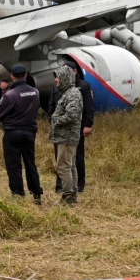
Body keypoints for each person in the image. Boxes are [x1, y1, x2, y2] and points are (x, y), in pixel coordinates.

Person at [0, 64, 43, 204]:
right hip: (29, 132)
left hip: (13, 133)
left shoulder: (10, 94)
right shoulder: (35, 92)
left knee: (14, 166)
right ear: (26, 75)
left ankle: (18, 196)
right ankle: (36, 195)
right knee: (30, 163)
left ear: (12, 76)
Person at [48, 61, 94, 193]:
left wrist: (88, 124)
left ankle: (76, 188)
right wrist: (51, 120)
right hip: (59, 131)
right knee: (62, 161)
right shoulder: (58, 88)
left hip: (72, 130)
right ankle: (61, 186)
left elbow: (87, 108)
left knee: (74, 159)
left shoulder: (81, 88)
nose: (57, 79)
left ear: (73, 71)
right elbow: (51, 105)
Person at [50, 66, 84, 205]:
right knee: (69, 166)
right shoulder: (67, 93)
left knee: (63, 167)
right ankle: (72, 195)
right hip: (64, 136)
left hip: (67, 137)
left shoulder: (73, 94)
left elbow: (71, 115)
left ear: (64, 77)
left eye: (57, 76)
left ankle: (68, 197)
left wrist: (56, 121)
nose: (55, 80)